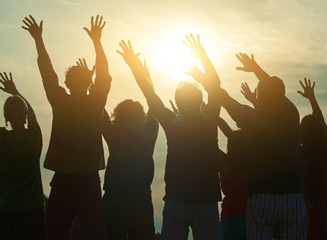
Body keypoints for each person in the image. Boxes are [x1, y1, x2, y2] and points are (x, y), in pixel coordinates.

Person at [190, 52, 307, 239]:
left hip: (261, 198)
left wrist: (205, 80)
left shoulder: (251, 118)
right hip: (292, 196)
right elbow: (275, 88)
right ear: (282, 97)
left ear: (260, 98)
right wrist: (256, 69)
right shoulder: (292, 115)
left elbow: (222, 97)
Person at [116, 35, 222, 240]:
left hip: (176, 202)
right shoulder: (209, 121)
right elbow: (216, 84)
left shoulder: (173, 123)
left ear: (177, 102)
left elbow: (149, 94)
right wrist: (202, 55)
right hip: (207, 202)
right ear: (200, 101)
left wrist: (133, 64)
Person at [22, 15, 111, 239]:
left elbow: (47, 72)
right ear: (87, 82)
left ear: (68, 83)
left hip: (63, 182)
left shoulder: (60, 100)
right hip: (89, 182)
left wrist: (38, 40)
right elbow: (103, 73)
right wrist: (97, 41)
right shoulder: (96, 101)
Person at [101, 59, 158, 240]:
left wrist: (94, 86)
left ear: (117, 117)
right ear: (140, 118)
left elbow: (97, 106)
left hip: (113, 202)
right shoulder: (148, 137)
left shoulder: (114, 138)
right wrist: (146, 77)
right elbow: (153, 103)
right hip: (140, 201)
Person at [0, 72, 44, 240]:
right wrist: (15, 92)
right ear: (25, 115)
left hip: (6, 210)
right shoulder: (34, 136)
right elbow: (32, 112)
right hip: (33, 210)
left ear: (5, 117)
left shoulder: (2, 138)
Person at [297, 78, 327, 239]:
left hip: (305, 218)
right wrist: (312, 99)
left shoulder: (298, 156)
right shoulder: (325, 153)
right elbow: (321, 122)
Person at [216, 117, 247, 240]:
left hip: (229, 218)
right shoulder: (254, 162)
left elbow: (209, 142)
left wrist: (214, 117)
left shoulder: (224, 163)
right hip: (251, 217)